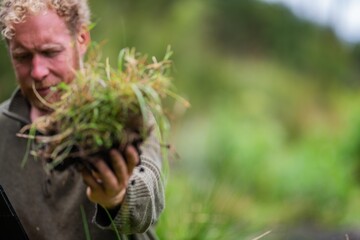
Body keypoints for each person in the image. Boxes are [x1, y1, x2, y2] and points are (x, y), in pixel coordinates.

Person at [0, 0, 165, 239]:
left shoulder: (122, 113)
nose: (37, 71)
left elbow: (149, 204)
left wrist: (116, 198)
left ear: (82, 39)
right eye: (22, 56)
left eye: (50, 52)